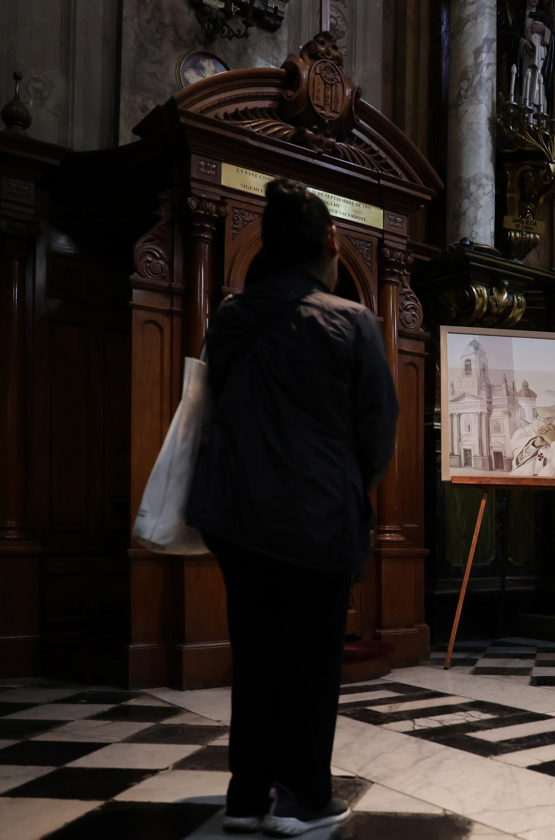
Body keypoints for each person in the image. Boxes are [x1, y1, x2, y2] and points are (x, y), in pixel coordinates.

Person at [187, 179, 399, 835]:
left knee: (255, 658)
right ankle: (306, 798)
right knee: (311, 661)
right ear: (331, 244)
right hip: (316, 517)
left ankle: (248, 798)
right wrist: (344, 480)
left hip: (239, 515)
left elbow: (221, 398)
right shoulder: (353, 322)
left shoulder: (229, 317)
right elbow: (378, 430)